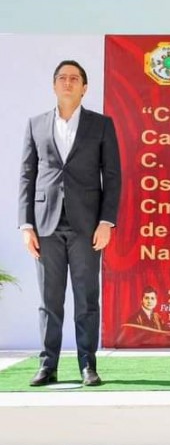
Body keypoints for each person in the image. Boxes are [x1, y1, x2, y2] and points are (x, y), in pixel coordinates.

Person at [18, 60, 122, 387]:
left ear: (84, 87)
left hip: (88, 227)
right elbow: (27, 175)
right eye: (62, 78)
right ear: (54, 85)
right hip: (45, 226)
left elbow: (113, 177)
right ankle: (47, 366)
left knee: (86, 299)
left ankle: (87, 366)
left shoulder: (101, 125)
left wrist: (106, 221)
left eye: (74, 78)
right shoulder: (35, 125)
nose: (68, 83)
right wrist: (25, 225)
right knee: (50, 301)